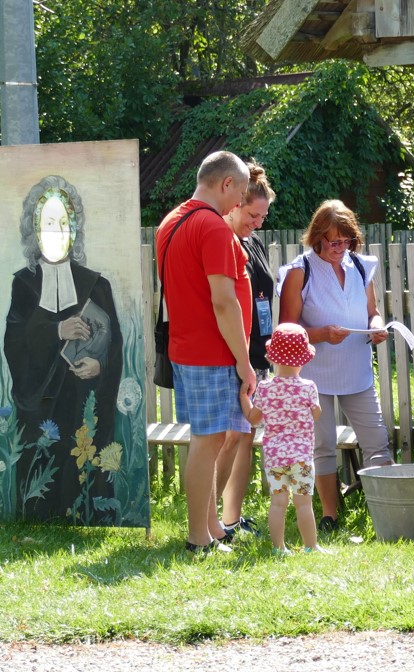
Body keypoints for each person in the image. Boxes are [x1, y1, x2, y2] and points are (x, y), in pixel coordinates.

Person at [6, 176, 122, 524]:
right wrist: (56, 330)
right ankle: (40, 514)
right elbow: (14, 342)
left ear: (74, 226)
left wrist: (100, 366)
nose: (55, 231)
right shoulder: (25, 284)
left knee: (84, 451)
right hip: (41, 398)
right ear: (33, 228)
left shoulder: (95, 283)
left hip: (82, 396)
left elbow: (115, 343)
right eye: (47, 222)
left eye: (62, 222)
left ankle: (88, 512)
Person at [155, 150, 254, 553]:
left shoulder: (172, 219)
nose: (241, 203)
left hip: (188, 348)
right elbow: (223, 301)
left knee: (208, 439)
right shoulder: (212, 227)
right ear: (226, 183)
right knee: (206, 440)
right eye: (241, 192)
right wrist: (245, 362)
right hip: (210, 351)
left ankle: (212, 526)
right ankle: (198, 536)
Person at [278, 200, 393, 533]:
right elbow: (287, 329)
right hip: (315, 375)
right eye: (331, 241)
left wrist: (378, 325)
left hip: (357, 368)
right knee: (322, 444)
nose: (337, 248)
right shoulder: (301, 270)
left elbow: (372, 310)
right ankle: (330, 516)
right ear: (316, 238)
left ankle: (384, 510)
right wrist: (322, 334)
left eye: (344, 241)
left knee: (376, 440)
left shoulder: (360, 267)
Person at [215, 161, 276, 538]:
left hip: (259, 352)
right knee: (230, 436)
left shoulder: (252, 241)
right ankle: (211, 520)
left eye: (264, 216)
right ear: (236, 203)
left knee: (247, 436)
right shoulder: (222, 241)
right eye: (254, 214)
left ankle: (231, 518)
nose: (259, 222)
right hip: (234, 355)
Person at [240, 323, 323, 554]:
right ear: (304, 359)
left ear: (271, 357)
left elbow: (254, 419)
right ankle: (310, 546)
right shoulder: (308, 387)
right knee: (303, 503)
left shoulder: (265, 389)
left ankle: (279, 548)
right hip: (303, 457)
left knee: (278, 503)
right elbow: (316, 414)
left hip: (275, 457)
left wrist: (245, 398)